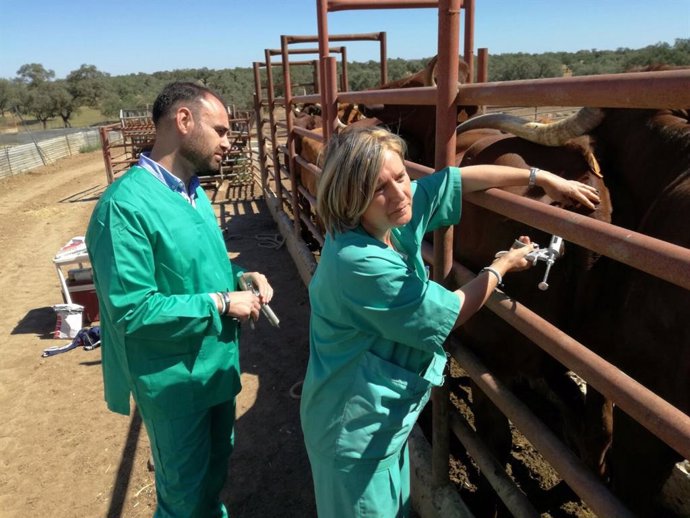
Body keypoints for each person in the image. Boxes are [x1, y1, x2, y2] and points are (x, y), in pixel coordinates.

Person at [299, 126, 600, 517]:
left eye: (401, 177)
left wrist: (541, 177)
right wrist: (501, 266)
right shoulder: (358, 261)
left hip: (380, 426)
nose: (399, 194)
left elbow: (453, 180)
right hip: (350, 437)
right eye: (378, 188)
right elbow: (449, 312)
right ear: (349, 196)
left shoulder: (389, 221)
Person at [86, 81, 274, 518]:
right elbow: (131, 310)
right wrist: (222, 304)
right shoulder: (123, 208)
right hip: (172, 381)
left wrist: (241, 277)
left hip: (213, 369)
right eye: (222, 130)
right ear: (184, 121)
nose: (229, 143)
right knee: (183, 497)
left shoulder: (194, 194)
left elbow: (201, 271)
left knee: (213, 474)